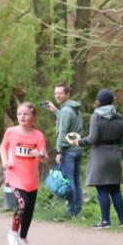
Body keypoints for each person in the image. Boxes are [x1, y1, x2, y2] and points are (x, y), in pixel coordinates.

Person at [0, 102, 48, 245]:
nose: (22, 117)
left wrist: (39, 155)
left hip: (31, 179)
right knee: (22, 204)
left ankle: (22, 237)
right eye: (19, 114)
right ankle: (13, 233)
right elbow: (3, 146)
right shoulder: (11, 132)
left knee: (29, 210)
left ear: (33, 117)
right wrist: (5, 161)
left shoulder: (38, 135)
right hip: (14, 176)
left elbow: (45, 158)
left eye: (26, 114)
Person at [78, 88, 123, 229]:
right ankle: (122, 221)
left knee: (102, 190)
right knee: (116, 190)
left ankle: (105, 221)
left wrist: (80, 142)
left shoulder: (97, 116)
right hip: (115, 156)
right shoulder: (119, 117)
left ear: (99, 101)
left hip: (100, 155)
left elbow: (93, 138)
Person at [46, 83, 83, 218]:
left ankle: (71, 210)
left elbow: (63, 131)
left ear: (67, 94)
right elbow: (67, 121)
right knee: (77, 181)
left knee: (69, 181)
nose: (57, 96)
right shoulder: (73, 109)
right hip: (77, 149)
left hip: (68, 151)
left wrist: (59, 151)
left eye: (60, 93)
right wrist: (56, 111)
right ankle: (78, 209)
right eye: (55, 93)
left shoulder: (66, 111)